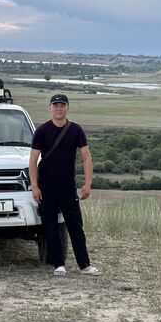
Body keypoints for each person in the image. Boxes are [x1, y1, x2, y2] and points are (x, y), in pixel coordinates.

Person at [29, 93, 100, 276]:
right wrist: (35, 186)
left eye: (62, 105)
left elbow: (86, 157)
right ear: (50, 108)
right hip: (46, 187)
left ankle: (84, 265)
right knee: (50, 226)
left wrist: (88, 184)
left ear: (68, 108)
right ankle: (58, 264)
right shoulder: (42, 131)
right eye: (55, 105)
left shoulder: (76, 130)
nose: (59, 109)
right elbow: (33, 160)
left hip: (68, 186)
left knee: (75, 225)